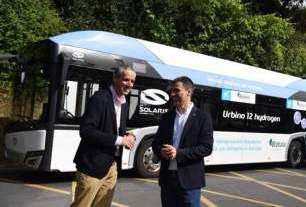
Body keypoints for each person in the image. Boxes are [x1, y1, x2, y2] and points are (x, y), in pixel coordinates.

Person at [71, 66, 137, 207]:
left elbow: (115, 130)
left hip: (111, 167)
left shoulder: (124, 103)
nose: (129, 84)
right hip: (91, 166)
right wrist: (120, 140)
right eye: (126, 80)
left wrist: (128, 136)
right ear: (115, 78)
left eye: (132, 81)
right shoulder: (100, 98)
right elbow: (86, 131)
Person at [152, 76, 214, 207]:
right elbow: (156, 143)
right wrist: (161, 152)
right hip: (167, 180)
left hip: (189, 182)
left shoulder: (203, 117)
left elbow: (206, 147)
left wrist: (178, 153)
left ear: (188, 92)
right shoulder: (167, 117)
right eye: (172, 91)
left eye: (176, 90)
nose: (172, 94)